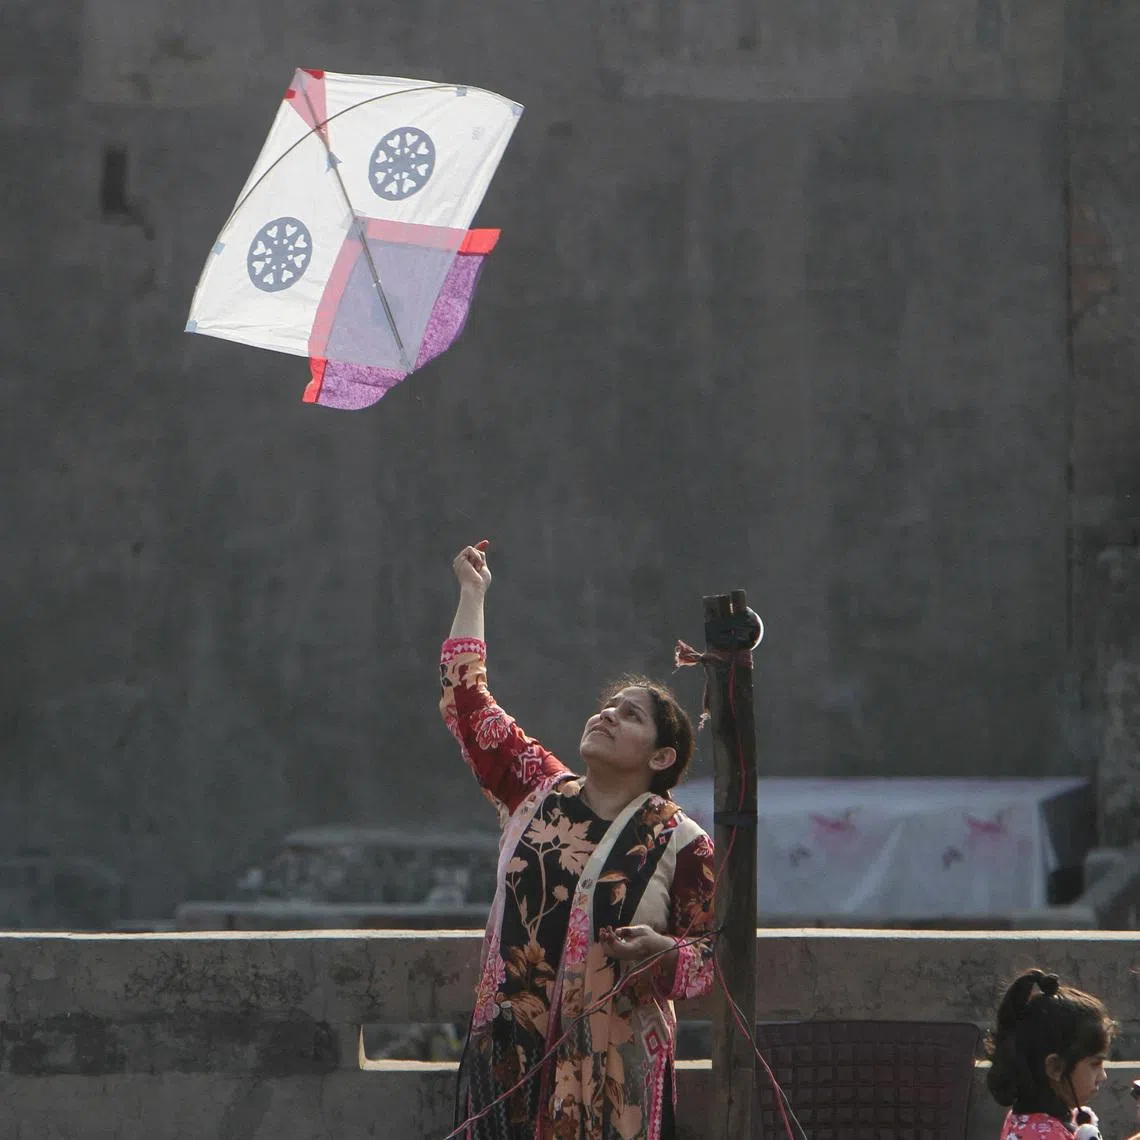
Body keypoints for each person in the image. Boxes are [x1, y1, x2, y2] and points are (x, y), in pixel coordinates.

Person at [440, 542, 715, 1140]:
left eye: (630, 716)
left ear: (662, 757)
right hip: (508, 1055)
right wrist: (472, 595)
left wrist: (661, 950)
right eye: (608, 707)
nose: (608, 715)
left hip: (613, 1074)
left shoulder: (681, 843)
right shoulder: (537, 790)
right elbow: (468, 702)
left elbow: (707, 961)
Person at [986, 968, 1116, 1139]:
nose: (1102, 1076)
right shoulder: (1046, 1135)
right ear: (1055, 1067)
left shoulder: (1028, 1122)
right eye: (1095, 1064)